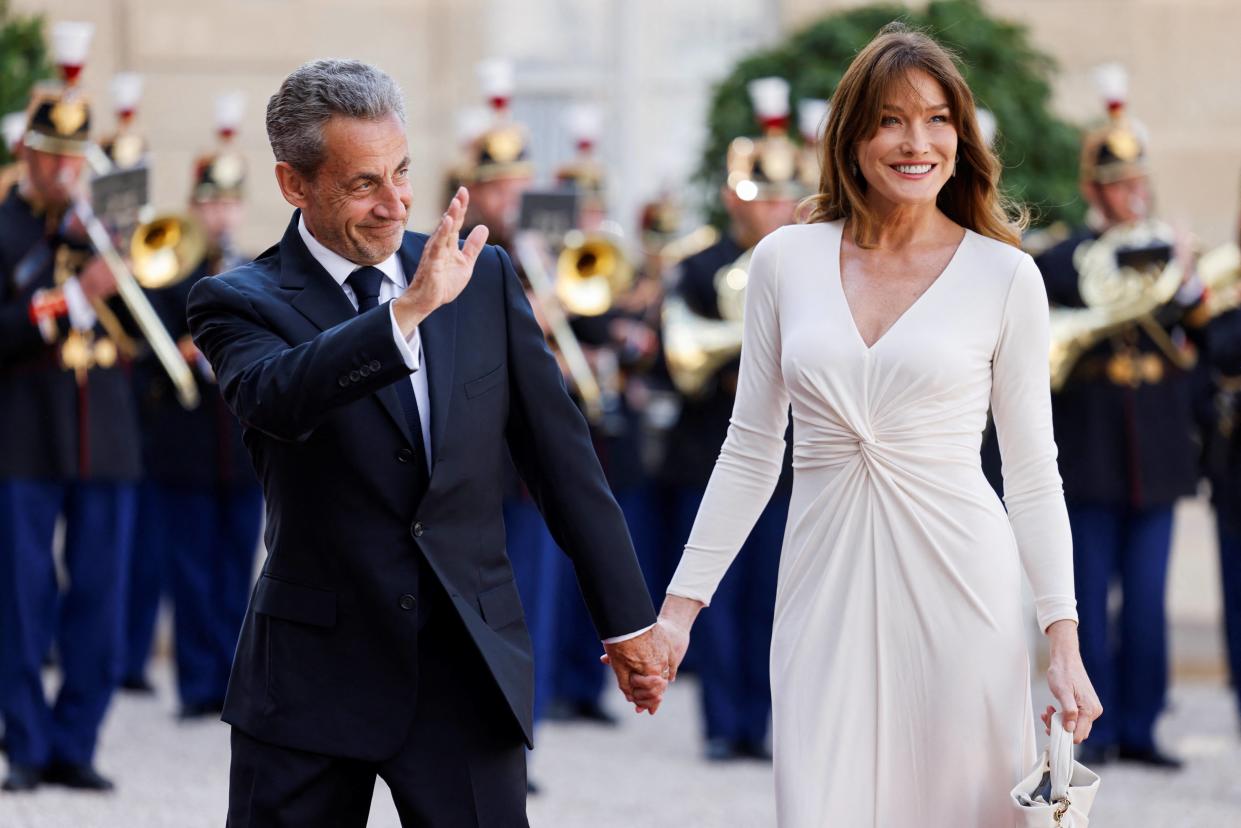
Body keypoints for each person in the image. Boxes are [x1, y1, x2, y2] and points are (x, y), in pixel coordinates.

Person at [186, 59, 669, 825]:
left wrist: (628, 620)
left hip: (467, 667)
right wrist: (403, 314)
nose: (395, 203)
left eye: (402, 172)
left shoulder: (481, 277)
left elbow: (560, 460)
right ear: (293, 184)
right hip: (312, 677)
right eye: (362, 183)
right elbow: (274, 398)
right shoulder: (236, 298)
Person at [654, 24, 1101, 826]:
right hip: (820, 581)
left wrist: (1061, 642)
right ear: (852, 136)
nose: (915, 141)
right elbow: (751, 448)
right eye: (890, 119)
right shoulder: (784, 261)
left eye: (936, 119)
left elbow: (1032, 473)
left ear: (960, 138)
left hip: (964, 587)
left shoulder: (1005, 276)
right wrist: (677, 613)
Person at [1031, 64, 1199, 769]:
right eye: (1121, 184)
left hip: (1154, 450)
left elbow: (1190, 340)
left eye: (1140, 183)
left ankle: (1141, 724)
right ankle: (1086, 727)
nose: (1135, 195)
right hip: (1090, 448)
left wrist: (1184, 279)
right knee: (1086, 600)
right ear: (1094, 187)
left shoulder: (1166, 254)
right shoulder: (1064, 260)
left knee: (1149, 602)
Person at [0, 29, 141, 792]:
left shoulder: (107, 227)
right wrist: (67, 297)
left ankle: (76, 742)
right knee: (21, 601)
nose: (62, 171)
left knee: (99, 600)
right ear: (25, 153)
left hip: (106, 436)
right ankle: (23, 744)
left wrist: (116, 266)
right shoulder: (5, 227)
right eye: (50, 156)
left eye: (72, 158)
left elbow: (159, 310)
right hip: (22, 436)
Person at [656, 76, 801, 761]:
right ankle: (721, 726)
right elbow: (675, 363)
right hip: (710, 452)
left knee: (775, 600)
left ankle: (764, 725)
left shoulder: (807, 267)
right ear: (732, 199)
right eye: (758, 197)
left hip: (788, 463)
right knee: (713, 598)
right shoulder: (699, 267)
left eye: (781, 198)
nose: (771, 211)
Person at [121, 97, 264, 719]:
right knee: (191, 569)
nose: (218, 213)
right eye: (209, 202)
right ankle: (199, 683)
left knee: (239, 568)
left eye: (227, 203)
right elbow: (143, 341)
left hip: (239, 445)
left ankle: (237, 681)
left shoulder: (254, 270)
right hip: (182, 442)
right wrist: (178, 348)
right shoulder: (167, 269)